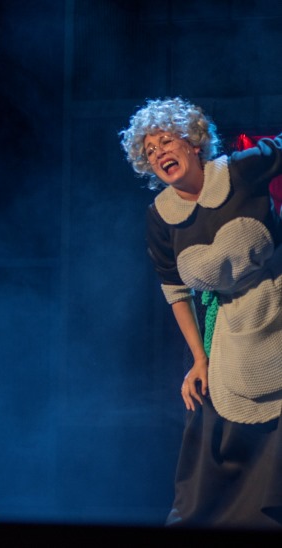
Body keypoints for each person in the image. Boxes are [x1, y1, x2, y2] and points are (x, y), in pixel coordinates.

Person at [120, 97, 282, 528]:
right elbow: (175, 289)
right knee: (213, 425)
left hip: (277, 305)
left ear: (194, 143)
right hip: (227, 325)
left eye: (166, 141)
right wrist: (199, 357)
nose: (158, 153)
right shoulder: (160, 217)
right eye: (149, 150)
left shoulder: (239, 171)